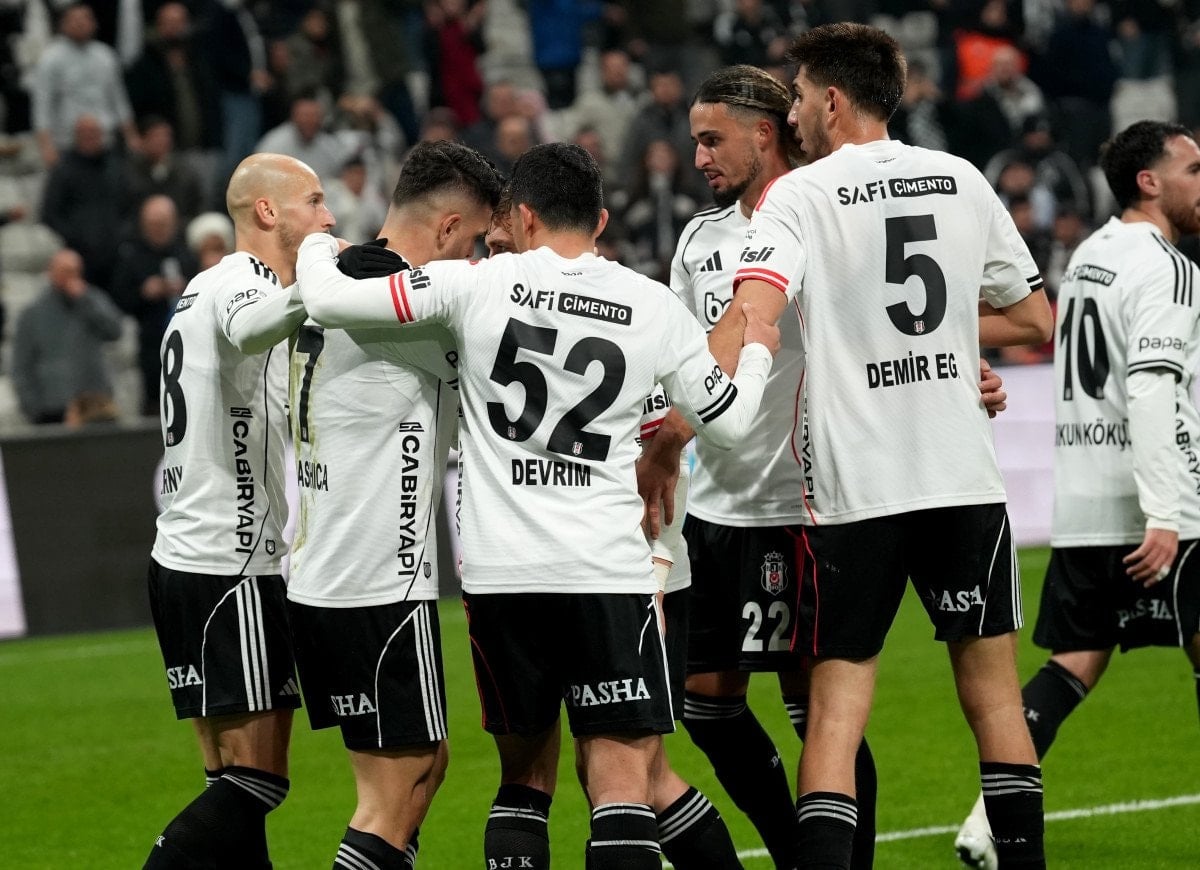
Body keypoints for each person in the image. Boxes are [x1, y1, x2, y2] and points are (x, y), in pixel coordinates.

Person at [295, 142, 780, 869]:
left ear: (521, 216)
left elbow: (330, 300)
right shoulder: (650, 303)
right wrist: (761, 348)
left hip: (503, 578)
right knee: (622, 783)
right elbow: (732, 427)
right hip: (605, 573)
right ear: (601, 219)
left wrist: (313, 244)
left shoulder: (476, 283)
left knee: (523, 781)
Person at [719, 23, 1052, 868]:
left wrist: (724, 384)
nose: (793, 113)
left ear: (832, 100)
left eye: (798, 96)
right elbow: (1031, 317)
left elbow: (756, 305)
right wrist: (937, 339)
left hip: (857, 491)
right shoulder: (961, 177)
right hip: (962, 481)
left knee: (835, 714)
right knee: (995, 703)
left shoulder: (799, 195)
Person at [956, 120, 1200, 869]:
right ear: (1149, 181)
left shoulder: (1091, 254)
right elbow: (1152, 389)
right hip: (1161, 505)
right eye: (1193, 169)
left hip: (1086, 501)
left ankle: (986, 821)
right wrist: (1167, 511)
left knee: (1076, 660)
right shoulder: (1169, 268)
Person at [484, 189, 745, 869]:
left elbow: (667, 456)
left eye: (503, 239)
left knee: (631, 772)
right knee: (607, 772)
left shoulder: (615, 308)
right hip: (575, 569)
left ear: (528, 223)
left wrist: (655, 569)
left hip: (633, 568)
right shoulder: (611, 303)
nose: (495, 253)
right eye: (489, 245)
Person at [286, 139, 502, 870]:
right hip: (372, 579)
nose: (472, 256)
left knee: (424, 767)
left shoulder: (344, 276)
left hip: (330, 569)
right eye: (473, 239)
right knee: (397, 787)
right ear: (448, 227)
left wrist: (317, 249)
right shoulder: (406, 304)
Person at [143, 153, 335, 868]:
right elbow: (252, 327)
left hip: (185, 560)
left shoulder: (200, 289)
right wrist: (323, 283)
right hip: (231, 564)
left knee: (229, 787)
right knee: (256, 782)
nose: (328, 218)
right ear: (267, 211)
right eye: (314, 201)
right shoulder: (241, 282)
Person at [12, 248, 124, 424]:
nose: (70, 277)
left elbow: (114, 331)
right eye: (65, 271)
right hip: (52, 406)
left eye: (74, 271)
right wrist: (32, 407)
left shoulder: (93, 299)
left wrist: (85, 300)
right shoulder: (33, 313)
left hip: (94, 402)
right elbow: (21, 363)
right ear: (51, 273)